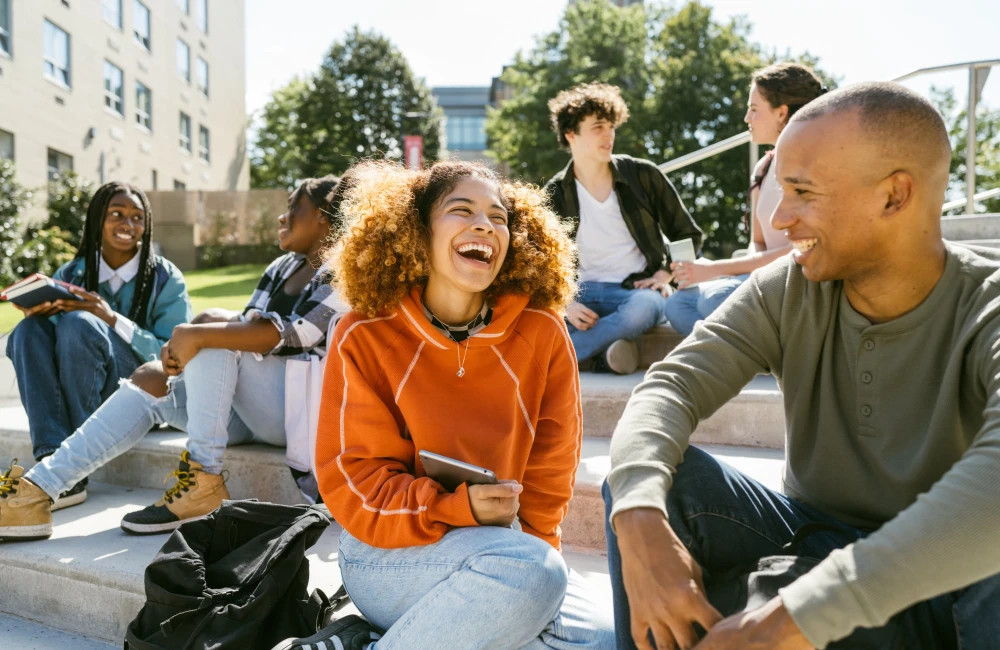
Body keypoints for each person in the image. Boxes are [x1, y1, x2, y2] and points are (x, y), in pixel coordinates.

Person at [603, 82, 1000, 649]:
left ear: (894, 196)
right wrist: (639, 520)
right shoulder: (786, 288)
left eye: (802, 191)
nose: (781, 217)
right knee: (651, 480)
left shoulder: (989, 301)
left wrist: (798, 615)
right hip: (812, 538)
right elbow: (669, 387)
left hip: (950, 579)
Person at [302, 160, 614, 649]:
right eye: (461, 209)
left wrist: (535, 566)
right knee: (527, 584)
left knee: (601, 639)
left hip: (504, 551)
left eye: (499, 216)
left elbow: (550, 470)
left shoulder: (543, 332)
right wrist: (454, 507)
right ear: (416, 232)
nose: (484, 225)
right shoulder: (362, 334)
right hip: (385, 547)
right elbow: (354, 483)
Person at [0, 175, 349, 540]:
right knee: (150, 379)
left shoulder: (344, 273)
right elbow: (246, 329)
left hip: (300, 415)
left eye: (293, 207)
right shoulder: (281, 268)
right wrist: (184, 348)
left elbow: (293, 335)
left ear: (324, 215)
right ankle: (39, 488)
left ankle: (204, 478)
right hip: (255, 411)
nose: (282, 217)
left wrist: (198, 332)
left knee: (213, 333)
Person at [4, 181, 191, 508]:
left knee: (81, 322)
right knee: (27, 332)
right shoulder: (74, 271)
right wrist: (40, 314)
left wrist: (110, 318)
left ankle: (71, 471)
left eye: (137, 218)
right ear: (97, 222)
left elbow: (174, 354)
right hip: (83, 380)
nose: (128, 224)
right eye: (116, 214)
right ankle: (51, 454)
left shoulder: (165, 276)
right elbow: (49, 348)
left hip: (138, 390)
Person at [544, 82, 703, 374]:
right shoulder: (555, 193)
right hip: (580, 294)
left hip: (634, 292)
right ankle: (605, 356)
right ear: (571, 135)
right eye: (598, 127)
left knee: (645, 307)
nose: (609, 135)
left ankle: (560, 362)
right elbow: (540, 262)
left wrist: (666, 272)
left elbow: (688, 234)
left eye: (611, 126)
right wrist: (564, 303)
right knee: (539, 313)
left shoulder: (643, 176)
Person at [663, 63, 825, 336]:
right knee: (678, 305)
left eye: (753, 109)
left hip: (797, 282)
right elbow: (758, 242)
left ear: (781, 113)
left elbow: (802, 250)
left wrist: (717, 269)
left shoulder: (814, 166)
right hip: (762, 279)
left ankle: (746, 347)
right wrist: (744, 275)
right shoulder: (762, 169)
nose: (746, 118)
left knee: (716, 298)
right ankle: (754, 346)